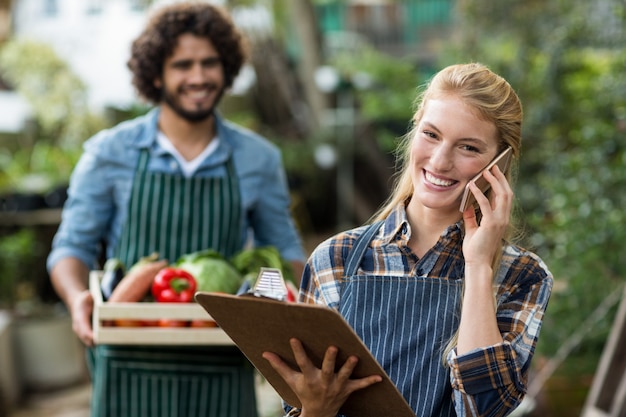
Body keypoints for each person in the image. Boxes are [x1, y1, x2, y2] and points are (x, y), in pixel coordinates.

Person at [47, 2, 305, 416]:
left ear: (227, 68)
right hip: (129, 363)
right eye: (182, 65)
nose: (198, 77)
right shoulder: (109, 152)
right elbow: (71, 249)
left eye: (210, 63)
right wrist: (79, 297)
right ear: (155, 73)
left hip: (220, 360)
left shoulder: (258, 158)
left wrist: (280, 306)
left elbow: (284, 251)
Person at [262, 63, 553, 417]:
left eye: (468, 148)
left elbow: (482, 409)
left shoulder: (521, 276)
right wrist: (315, 409)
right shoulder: (336, 259)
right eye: (431, 135)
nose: (440, 161)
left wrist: (478, 266)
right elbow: (296, 405)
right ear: (415, 131)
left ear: (499, 163)